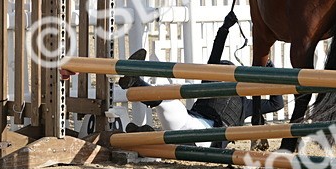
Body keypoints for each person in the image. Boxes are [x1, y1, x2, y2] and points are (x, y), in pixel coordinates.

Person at [114, 48, 284, 146]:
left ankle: (149, 138)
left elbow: (276, 104)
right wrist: (223, 29)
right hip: (186, 121)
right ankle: (135, 82)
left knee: (169, 108)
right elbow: (213, 59)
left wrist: (271, 72)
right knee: (167, 98)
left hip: (208, 139)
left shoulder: (246, 103)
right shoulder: (209, 86)